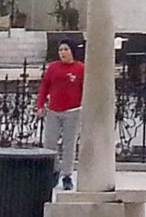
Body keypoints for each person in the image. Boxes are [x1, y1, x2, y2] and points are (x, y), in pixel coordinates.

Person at [36, 39, 85, 190]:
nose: (63, 52)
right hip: (54, 110)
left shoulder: (80, 68)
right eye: (60, 50)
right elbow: (45, 86)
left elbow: (84, 89)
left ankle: (67, 175)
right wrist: (40, 104)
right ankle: (53, 171)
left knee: (69, 144)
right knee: (50, 143)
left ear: (72, 51)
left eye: (66, 49)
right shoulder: (53, 68)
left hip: (73, 111)